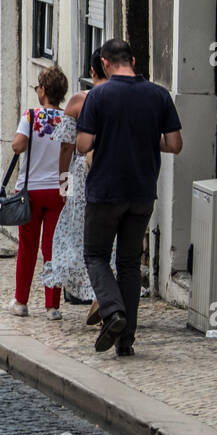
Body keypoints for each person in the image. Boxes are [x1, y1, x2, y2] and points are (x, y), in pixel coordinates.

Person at [76, 39, 183, 356]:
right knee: (129, 264)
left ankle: (113, 312)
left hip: (105, 192)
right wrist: (148, 140)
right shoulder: (158, 94)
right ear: (133, 60)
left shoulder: (98, 95)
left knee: (95, 255)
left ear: (105, 65)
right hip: (142, 192)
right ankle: (126, 341)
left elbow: (83, 145)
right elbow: (175, 144)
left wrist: (104, 136)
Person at [43, 49, 114, 321]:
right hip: (117, 174)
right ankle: (103, 295)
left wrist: (64, 185)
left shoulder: (78, 102)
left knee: (79, 238)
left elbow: (66, 149)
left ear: (93, 72)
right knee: (111, 239)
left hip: (84, 178)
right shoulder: (124, 100)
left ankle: (97, 293)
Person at [9, 65, 69, 319]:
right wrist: (67, 191)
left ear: (43, 90)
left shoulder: (31, 116)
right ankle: (52, 306)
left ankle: (21, 302)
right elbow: (70, 153)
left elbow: (18, 146)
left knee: (27, 247)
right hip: (58, 190)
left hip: (30, 190)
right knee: (53, 248)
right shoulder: (68, 118)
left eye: (37, 87)